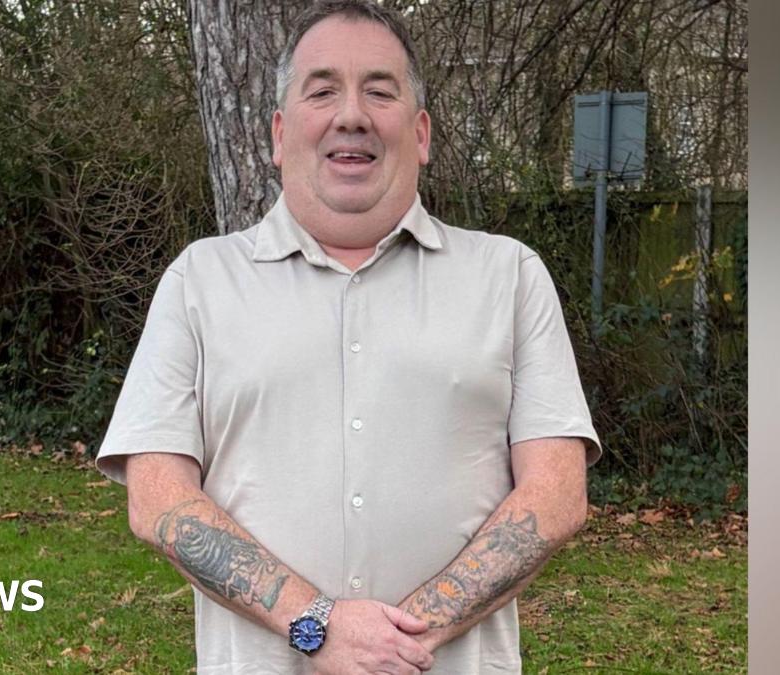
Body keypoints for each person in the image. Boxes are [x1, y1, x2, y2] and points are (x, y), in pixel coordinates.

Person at [96, 2, 601, 673]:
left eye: (380, 91)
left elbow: (557, 494)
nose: (353, 114)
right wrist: (317, 623)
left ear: (420, 133)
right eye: (323, 89)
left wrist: (399, 640)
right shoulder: (199, 282)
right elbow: (158, 495)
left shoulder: (509, 277)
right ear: (280, 133)